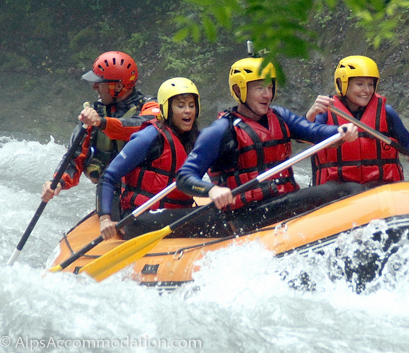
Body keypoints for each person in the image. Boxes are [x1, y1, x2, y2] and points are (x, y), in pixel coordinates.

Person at [176, 57, 359, 235]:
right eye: (259, 88)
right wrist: (211, 190)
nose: (267, 95)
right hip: (246, 215)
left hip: (281, 201)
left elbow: (313, 131)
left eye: (270, 88)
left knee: (347, 188)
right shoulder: (220, 130)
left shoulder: (279, 116)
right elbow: (184, 178)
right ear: (238, 90)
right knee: (340, 190)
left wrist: (339, 130)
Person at [41, 51, 159, 207]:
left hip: (148, 198)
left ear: (118, 86)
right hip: (110, 196)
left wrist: (102, 123)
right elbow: (75, 156)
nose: (94, 86)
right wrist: (57, 182)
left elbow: (143, 126)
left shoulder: (151, 106)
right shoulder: (94, 113)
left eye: (100, 82)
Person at [97, 77, 203, 240]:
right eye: (180, 106)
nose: (187, 111)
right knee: (215, 218)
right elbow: (108, 177)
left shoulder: (197, 139)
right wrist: (105, 218)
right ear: (167, 109)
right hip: (140, 218)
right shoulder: (150, 137)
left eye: (191, 105)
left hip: (174, 214)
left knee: (222, 212)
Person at [305, 55, 409, 186]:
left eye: (370, 84)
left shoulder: (386, 112)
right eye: (360, 84)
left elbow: (408, 141)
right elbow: (306, 135)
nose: (367, 90)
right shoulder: (326, 111)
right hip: (337, 190)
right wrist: (311, 113)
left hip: (380, 188)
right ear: (342, 83)